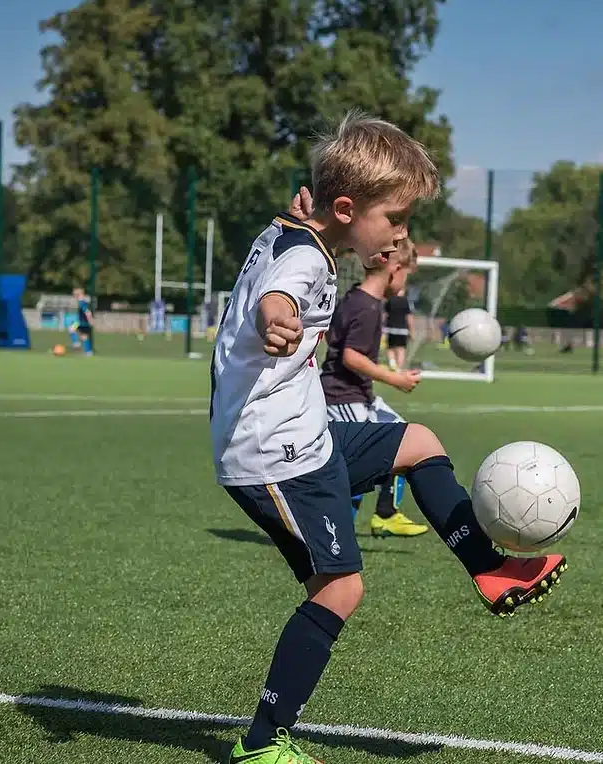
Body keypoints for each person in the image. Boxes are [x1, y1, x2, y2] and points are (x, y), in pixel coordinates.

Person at [209, 111, 567, 764]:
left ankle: (488, 569)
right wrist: (277, 318)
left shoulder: (299, 227)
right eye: (395, 219)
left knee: (419, 441)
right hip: (272, 454)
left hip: (305, 433)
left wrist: (312, 217)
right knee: (340, 588)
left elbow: (293, 236)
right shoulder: (305, 263)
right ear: (346, 209)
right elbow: (280, 294)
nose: (401, 235)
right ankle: (260, 744)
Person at [320, 239, 427, 538]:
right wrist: (396, 379)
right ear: (394, 269)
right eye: (408, 274)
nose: (406, 282)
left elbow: (333, 337)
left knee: (402, 435)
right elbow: (351, 356)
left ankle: (385, 513)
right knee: (355, 465)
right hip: (341, 397)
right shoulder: (367, 307)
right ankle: (332, 530)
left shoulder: (356, 298)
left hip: (357, 396)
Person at [384, 287, 414, 370]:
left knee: (390, 347)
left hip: (390, 328)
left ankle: (392, 364)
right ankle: (399, 369)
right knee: (401, 349)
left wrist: (382, 327)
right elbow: (409, 317)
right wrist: (412, 330)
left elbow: (385, 315)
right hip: (402, 330)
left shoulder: (390, 300)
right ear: (403, 291)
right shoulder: (406, 302)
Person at [69, 287, 95, 356]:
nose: (74, 296)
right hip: (85, 323)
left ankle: (76, 343)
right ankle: (89, 352)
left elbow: (87, 312)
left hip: (82, 322)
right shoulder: (84, 302)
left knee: (71, 328)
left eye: (75, 295)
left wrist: (91, 319)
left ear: (78, 294)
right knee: (84, 336)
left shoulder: (81, 302)